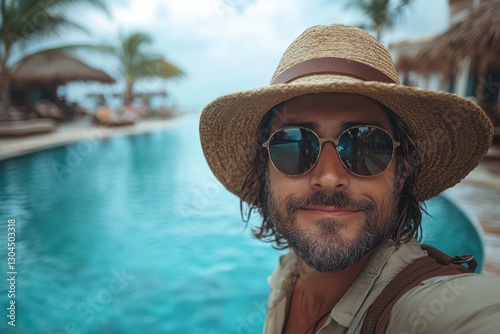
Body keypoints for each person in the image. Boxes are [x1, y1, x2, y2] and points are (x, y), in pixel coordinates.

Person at [199, 24, 500, 333]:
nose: (329, 178)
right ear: (267, 171)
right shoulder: (287, 276)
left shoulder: (429, 312)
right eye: (294, 144)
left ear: (400, 175)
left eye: (365, 144)